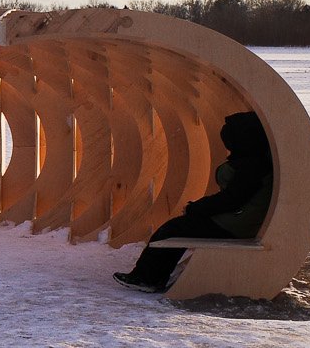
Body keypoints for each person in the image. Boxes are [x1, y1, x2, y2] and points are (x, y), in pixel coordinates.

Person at [114, 110, 273, 293]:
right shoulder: (254, 159)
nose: (228, 147)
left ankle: (146, 278)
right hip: (239, 219)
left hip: (236, 223)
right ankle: (152, 276)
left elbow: (232, 199)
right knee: (177, 229)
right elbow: (234, 198)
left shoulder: (251, 167)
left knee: (172, 231)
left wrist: (197, 208)